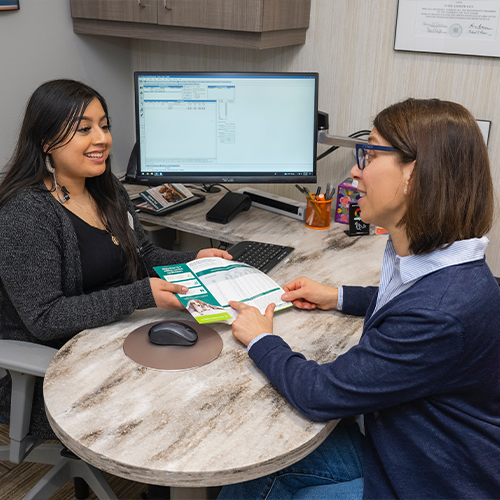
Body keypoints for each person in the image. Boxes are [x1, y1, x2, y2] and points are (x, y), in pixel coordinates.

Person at [219, 98, 500, 499]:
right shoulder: (439, 260)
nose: (355, 169)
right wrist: (338, 296)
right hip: (404, 442)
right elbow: (404, 299)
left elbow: (319, 393)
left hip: (425, 480)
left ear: (413, 174)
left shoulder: (440, 314)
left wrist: (261, 338)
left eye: (368, 152)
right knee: (257, 460)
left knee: (261, 463)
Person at [0, 79, 231, 439]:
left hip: (115, 336)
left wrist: (196, 259)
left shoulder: (106, 187)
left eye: (104, 126)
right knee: (182, 400)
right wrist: (141, 295)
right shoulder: (26, 213)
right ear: (46, 141)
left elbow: (145, 254)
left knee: (218, 357)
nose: (102, 139)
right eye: (84, 129)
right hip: (56, 365)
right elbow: (45, 318)